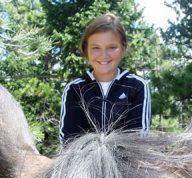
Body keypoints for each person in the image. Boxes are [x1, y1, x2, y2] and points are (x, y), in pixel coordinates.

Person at [59, 13, 151, 144]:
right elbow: (69, 138)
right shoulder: (75, 89)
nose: (104, 55)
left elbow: (138, 138)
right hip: (82, 162)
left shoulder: (137, 86)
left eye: (112, 47)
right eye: (96, 48)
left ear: (123, 48)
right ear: (86, 50)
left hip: (126, 162)